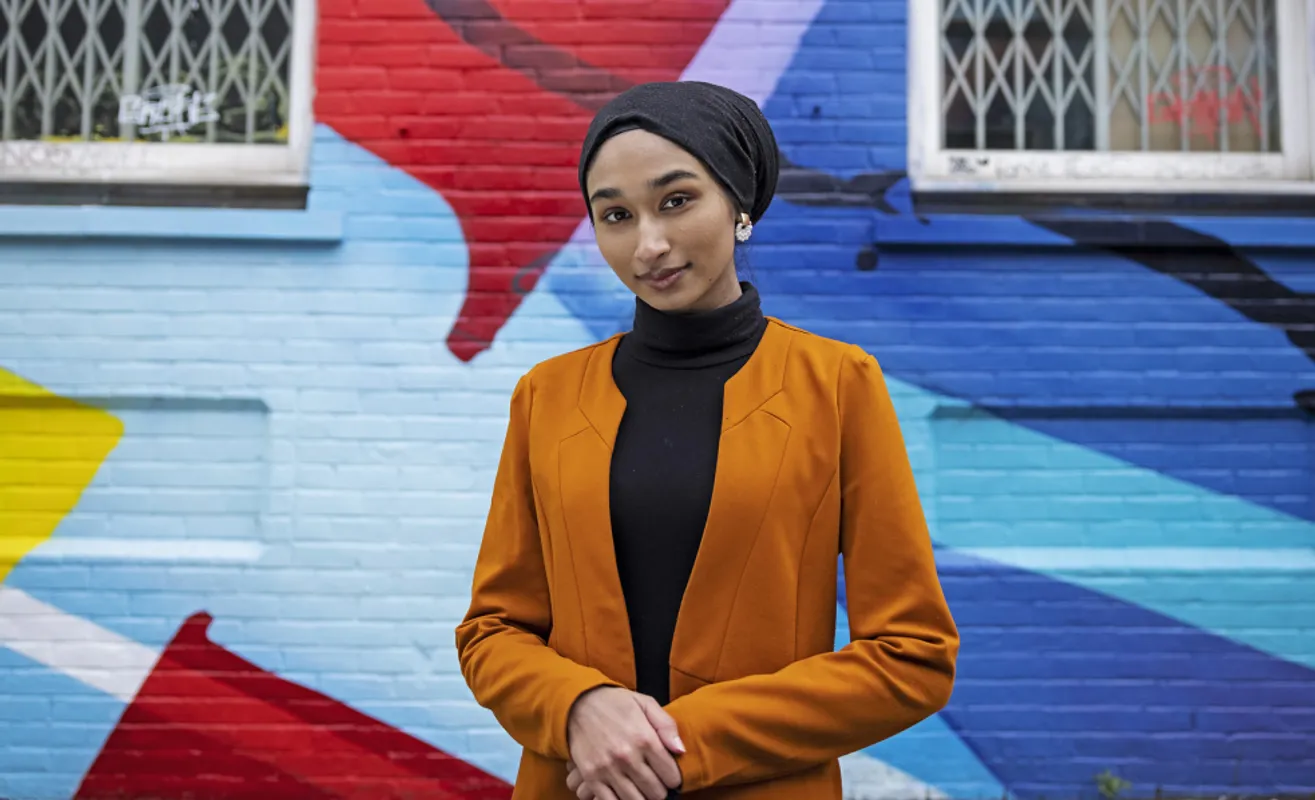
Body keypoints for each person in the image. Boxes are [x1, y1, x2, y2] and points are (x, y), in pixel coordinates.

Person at [455, 80, 959, 800]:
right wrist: (576, 707)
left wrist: (675, 746)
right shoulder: (546, 395)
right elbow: (493, 631)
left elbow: (911, 657)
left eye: (676, 201)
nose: (648, 244)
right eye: (615, 215)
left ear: (738, 204)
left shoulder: (837, 384)